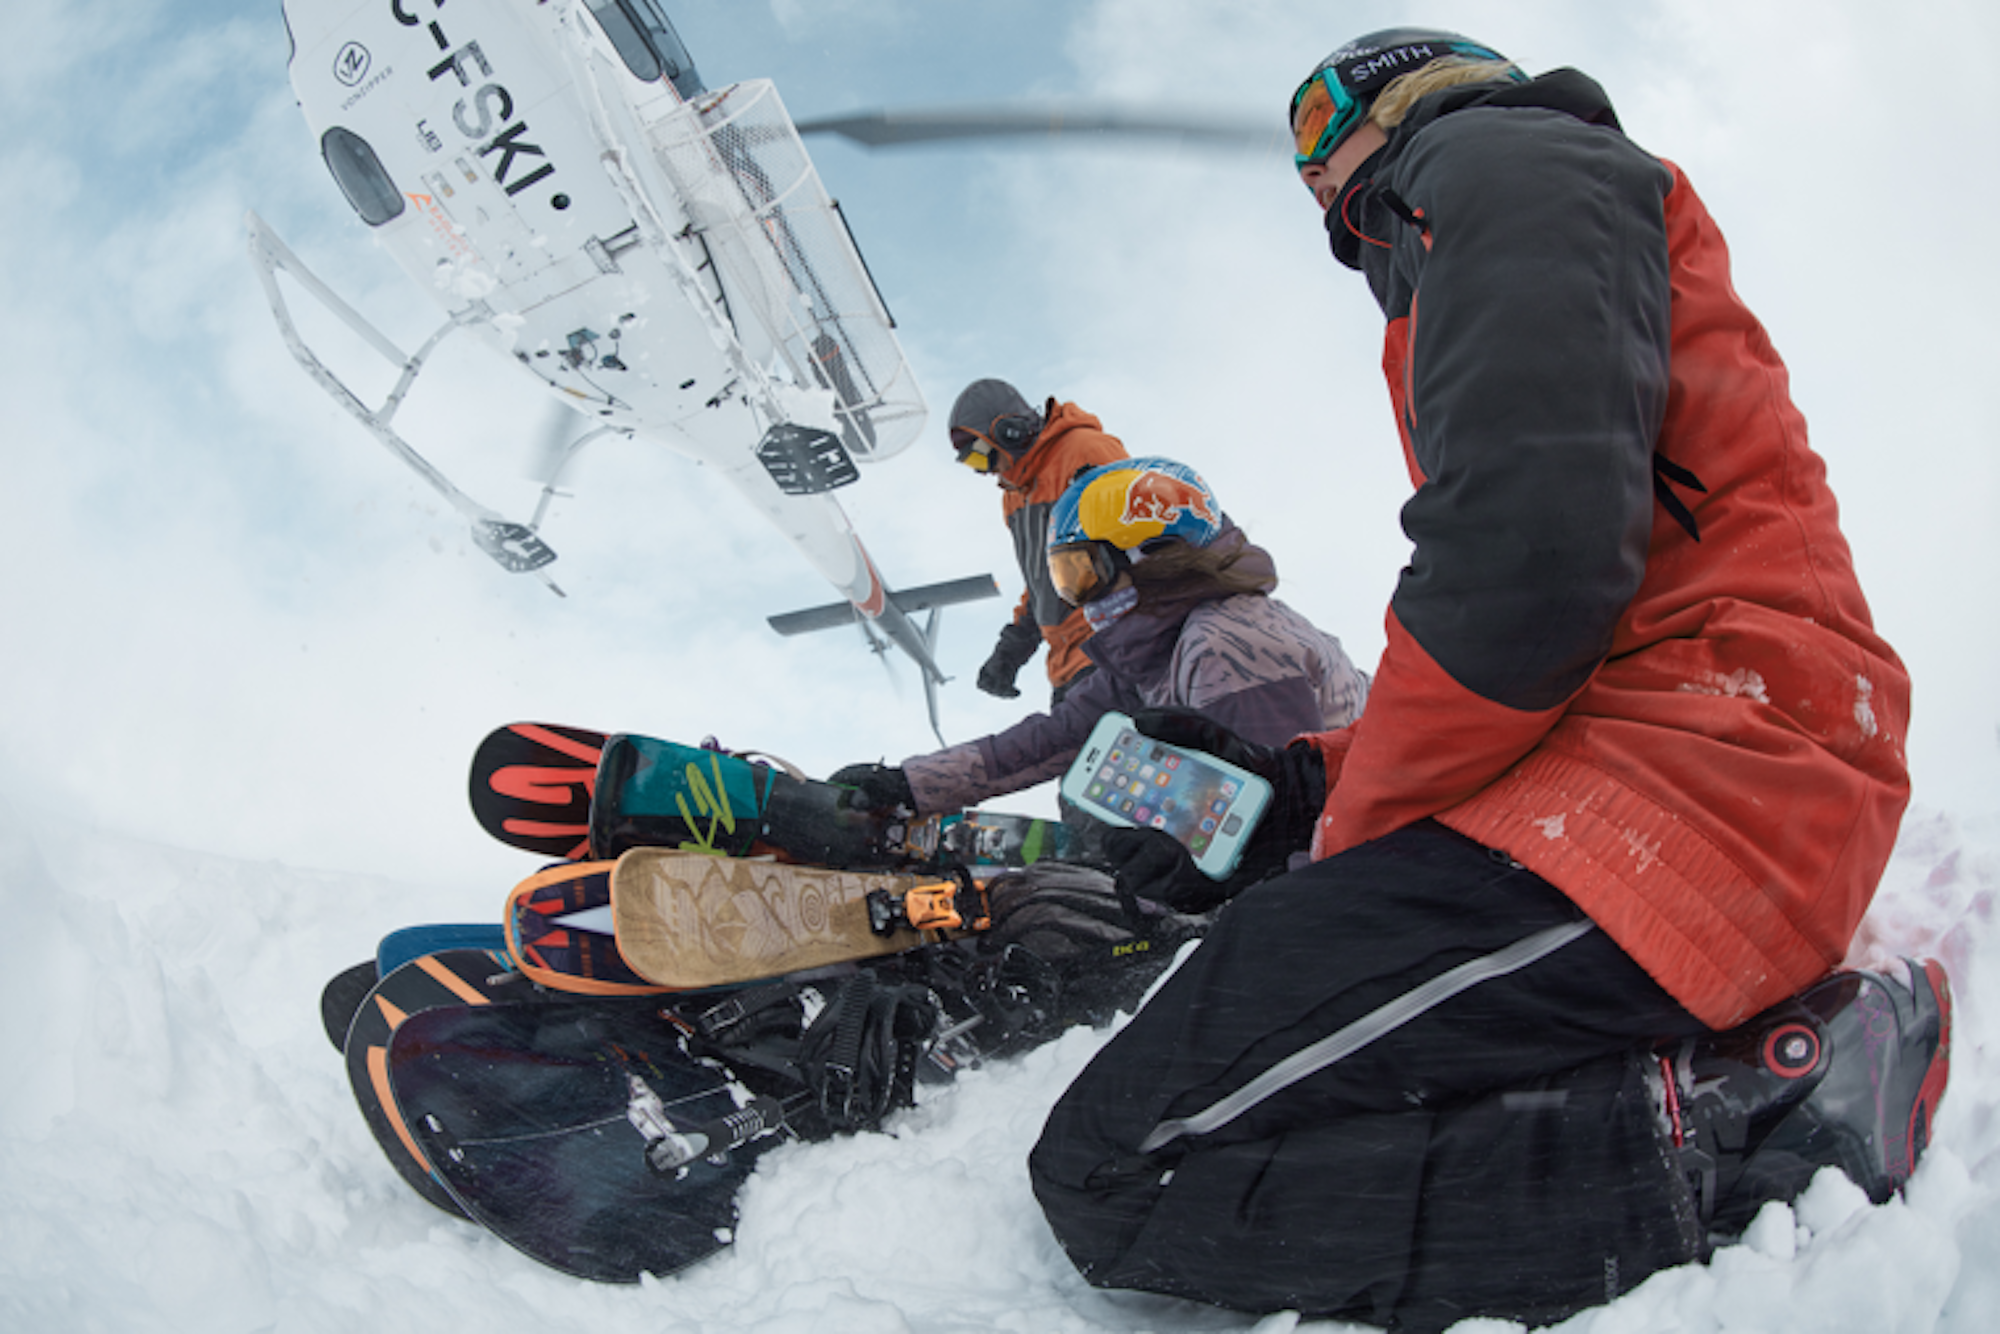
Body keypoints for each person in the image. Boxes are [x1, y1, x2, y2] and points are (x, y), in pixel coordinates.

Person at [1025, 29, 1952, 1333]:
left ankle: (1749, 1131)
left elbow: (1524, 575)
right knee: (1234, 1011)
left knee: (1115, 1163)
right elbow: (1541, 608)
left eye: (1320, 142)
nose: (1316, 192)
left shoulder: (1498, 160)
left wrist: (1342, 843)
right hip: (1667, 771)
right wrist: (1294, 790)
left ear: (1397, 98)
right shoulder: (1514, 208)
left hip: (1700, 797)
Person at [833, 457, 1367, 846]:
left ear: (1151, 554)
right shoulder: (1155, 652)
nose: (1080, 601)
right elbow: (1053, 740)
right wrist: (911, 785)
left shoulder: (1228, 644)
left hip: (1355, 863)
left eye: (1083, 573)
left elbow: (1291, 825)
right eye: (1066, 581)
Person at [947, 379, 1129, 704]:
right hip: (1066, 666)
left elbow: (1143, 539)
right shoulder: (1014, 498)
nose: (984, 472)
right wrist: (1011, 650)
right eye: (972, 464)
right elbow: (1043, 580)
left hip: (1112, 648)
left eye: (981, 457)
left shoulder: (1085, 451)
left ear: (1009, 432)